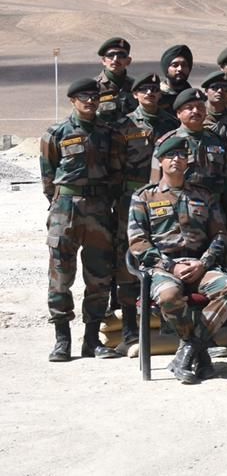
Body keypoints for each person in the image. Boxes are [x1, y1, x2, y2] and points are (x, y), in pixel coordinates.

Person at [127, 135, 227, 382]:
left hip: (200, 265)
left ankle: (187, 351)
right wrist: (170, 265)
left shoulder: (204, 195)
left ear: (187, 162)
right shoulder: (144, 197)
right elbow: (137, 242)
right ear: (161, 162)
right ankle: (200, 353)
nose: (176, 160)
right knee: (168, 296)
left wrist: (204, 262)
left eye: (180, 156)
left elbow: (220, 234)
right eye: (169, 156)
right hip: (163, 267)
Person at [41, 77, 125, 361]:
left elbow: (116, 172)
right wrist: (60, 203)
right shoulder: (56, 133)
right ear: (72, 100)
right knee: (60, 276)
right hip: (65, 208)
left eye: (94, 96)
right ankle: (62, 340)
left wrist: (103, 202)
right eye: (84, 97)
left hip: (99, 209)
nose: (90, 101)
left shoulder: (108, 133)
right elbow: (47, 176)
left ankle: (92, 341)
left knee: (99, 276)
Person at [114, 73, 178, 353]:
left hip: (165, 200)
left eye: (154, 89)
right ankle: (129, 330)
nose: (150, 93)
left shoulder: (170, 124)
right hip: (132, 199)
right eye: (144, 90)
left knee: (169, 253)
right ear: (136, 94)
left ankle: (171, 325)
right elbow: (113, 165)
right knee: (129, 263)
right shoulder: (124, 125)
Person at [154, 88, 227, 214]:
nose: (195, 111)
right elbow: (155, 182)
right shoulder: (166, 142)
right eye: (189, 108)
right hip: (180, 209)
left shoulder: (216, 140)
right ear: (178, 113)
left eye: (200, 107)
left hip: (213, 210)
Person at [94, 36, 136, 125]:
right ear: (103, 60)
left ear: (128, 61)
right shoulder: (93, 87)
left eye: (121, 55)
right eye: (110, 55)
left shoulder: (136, 87)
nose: (115, 59)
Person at [157, 44, 193, 114]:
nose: (180, 69)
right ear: (166, 69)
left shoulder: (194, 98)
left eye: (184, 65)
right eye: (175, 65)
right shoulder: (155, 96)